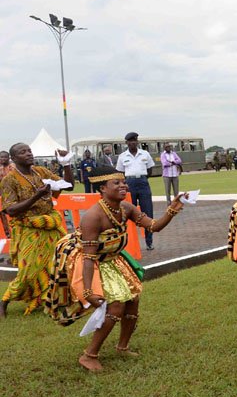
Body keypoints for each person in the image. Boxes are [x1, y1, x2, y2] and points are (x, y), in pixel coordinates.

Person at [43, 165, 187, 371]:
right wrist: (88, 291)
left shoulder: (126, 208)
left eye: (123, 182)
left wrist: (173, 208)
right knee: (116, 306)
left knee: (133, 300)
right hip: (90, 262)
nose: (123, 186)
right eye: (116, 183)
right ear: (102, 188)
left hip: (113, 259)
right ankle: (89, 355)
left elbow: (153, 226)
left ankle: (123, 347)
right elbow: (89, 257)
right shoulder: (93, 217)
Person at [0, 144, 74, 318]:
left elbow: (68, 186)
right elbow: (10, 210)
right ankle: (4, 301)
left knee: (59, 264)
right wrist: (37, 196)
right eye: (22, 152)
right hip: (28, 228)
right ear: (14, 158)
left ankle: (57, 300)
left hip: (50, 225)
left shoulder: (41, 172)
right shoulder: (9, 180)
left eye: (29, 151)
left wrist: (66, 164)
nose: (28, 154)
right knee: (29, 270)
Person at [116, 132, 156, 251]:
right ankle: (126, 243)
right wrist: (127, 183)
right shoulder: (123, 156)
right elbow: (120, 173)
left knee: (147, 212)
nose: (133, 142)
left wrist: (142, 178)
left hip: (143, 182)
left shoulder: (145, 153)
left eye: (135, 140)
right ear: (126, 143)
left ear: (137, 142)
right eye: (130, 141)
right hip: (129, 184)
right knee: (125, 212)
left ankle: (149, 242)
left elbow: (150, 170)